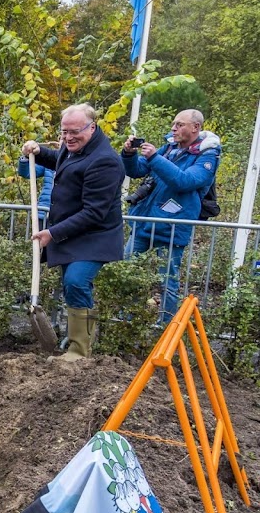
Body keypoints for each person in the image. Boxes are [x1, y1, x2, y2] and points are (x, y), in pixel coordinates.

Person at [22, 104, 124, 361]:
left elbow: (94, 213)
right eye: (64, 131)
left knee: (76, 281)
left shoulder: (105, 162)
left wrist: (52, 233)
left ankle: (79, 351)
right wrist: (39, 152)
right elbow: (62, 161)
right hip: (73, 233)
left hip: (95, 235)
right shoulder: (74, 149)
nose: (68, 138)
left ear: (92, 127)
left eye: (74, 132)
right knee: (71, 286)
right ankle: (75, 342)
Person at [121, 110, 221, 324]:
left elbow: (185, 181)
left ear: (195, 127)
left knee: (167, 280)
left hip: (172, 226)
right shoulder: (170, 147)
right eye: (173, 124)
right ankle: (126, 320)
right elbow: (138, 170)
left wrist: (155, 157)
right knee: (126, 269)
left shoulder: (208, 156)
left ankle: (165, 325)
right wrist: (129, 155)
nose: (174, 128)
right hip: (146, 220)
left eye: (180, 124)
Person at [17, 154, 54, 224]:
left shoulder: (78, 163)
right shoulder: (51, 160)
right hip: (43, 213)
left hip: (65, 218)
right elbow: (27, 172)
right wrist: (26, 157)